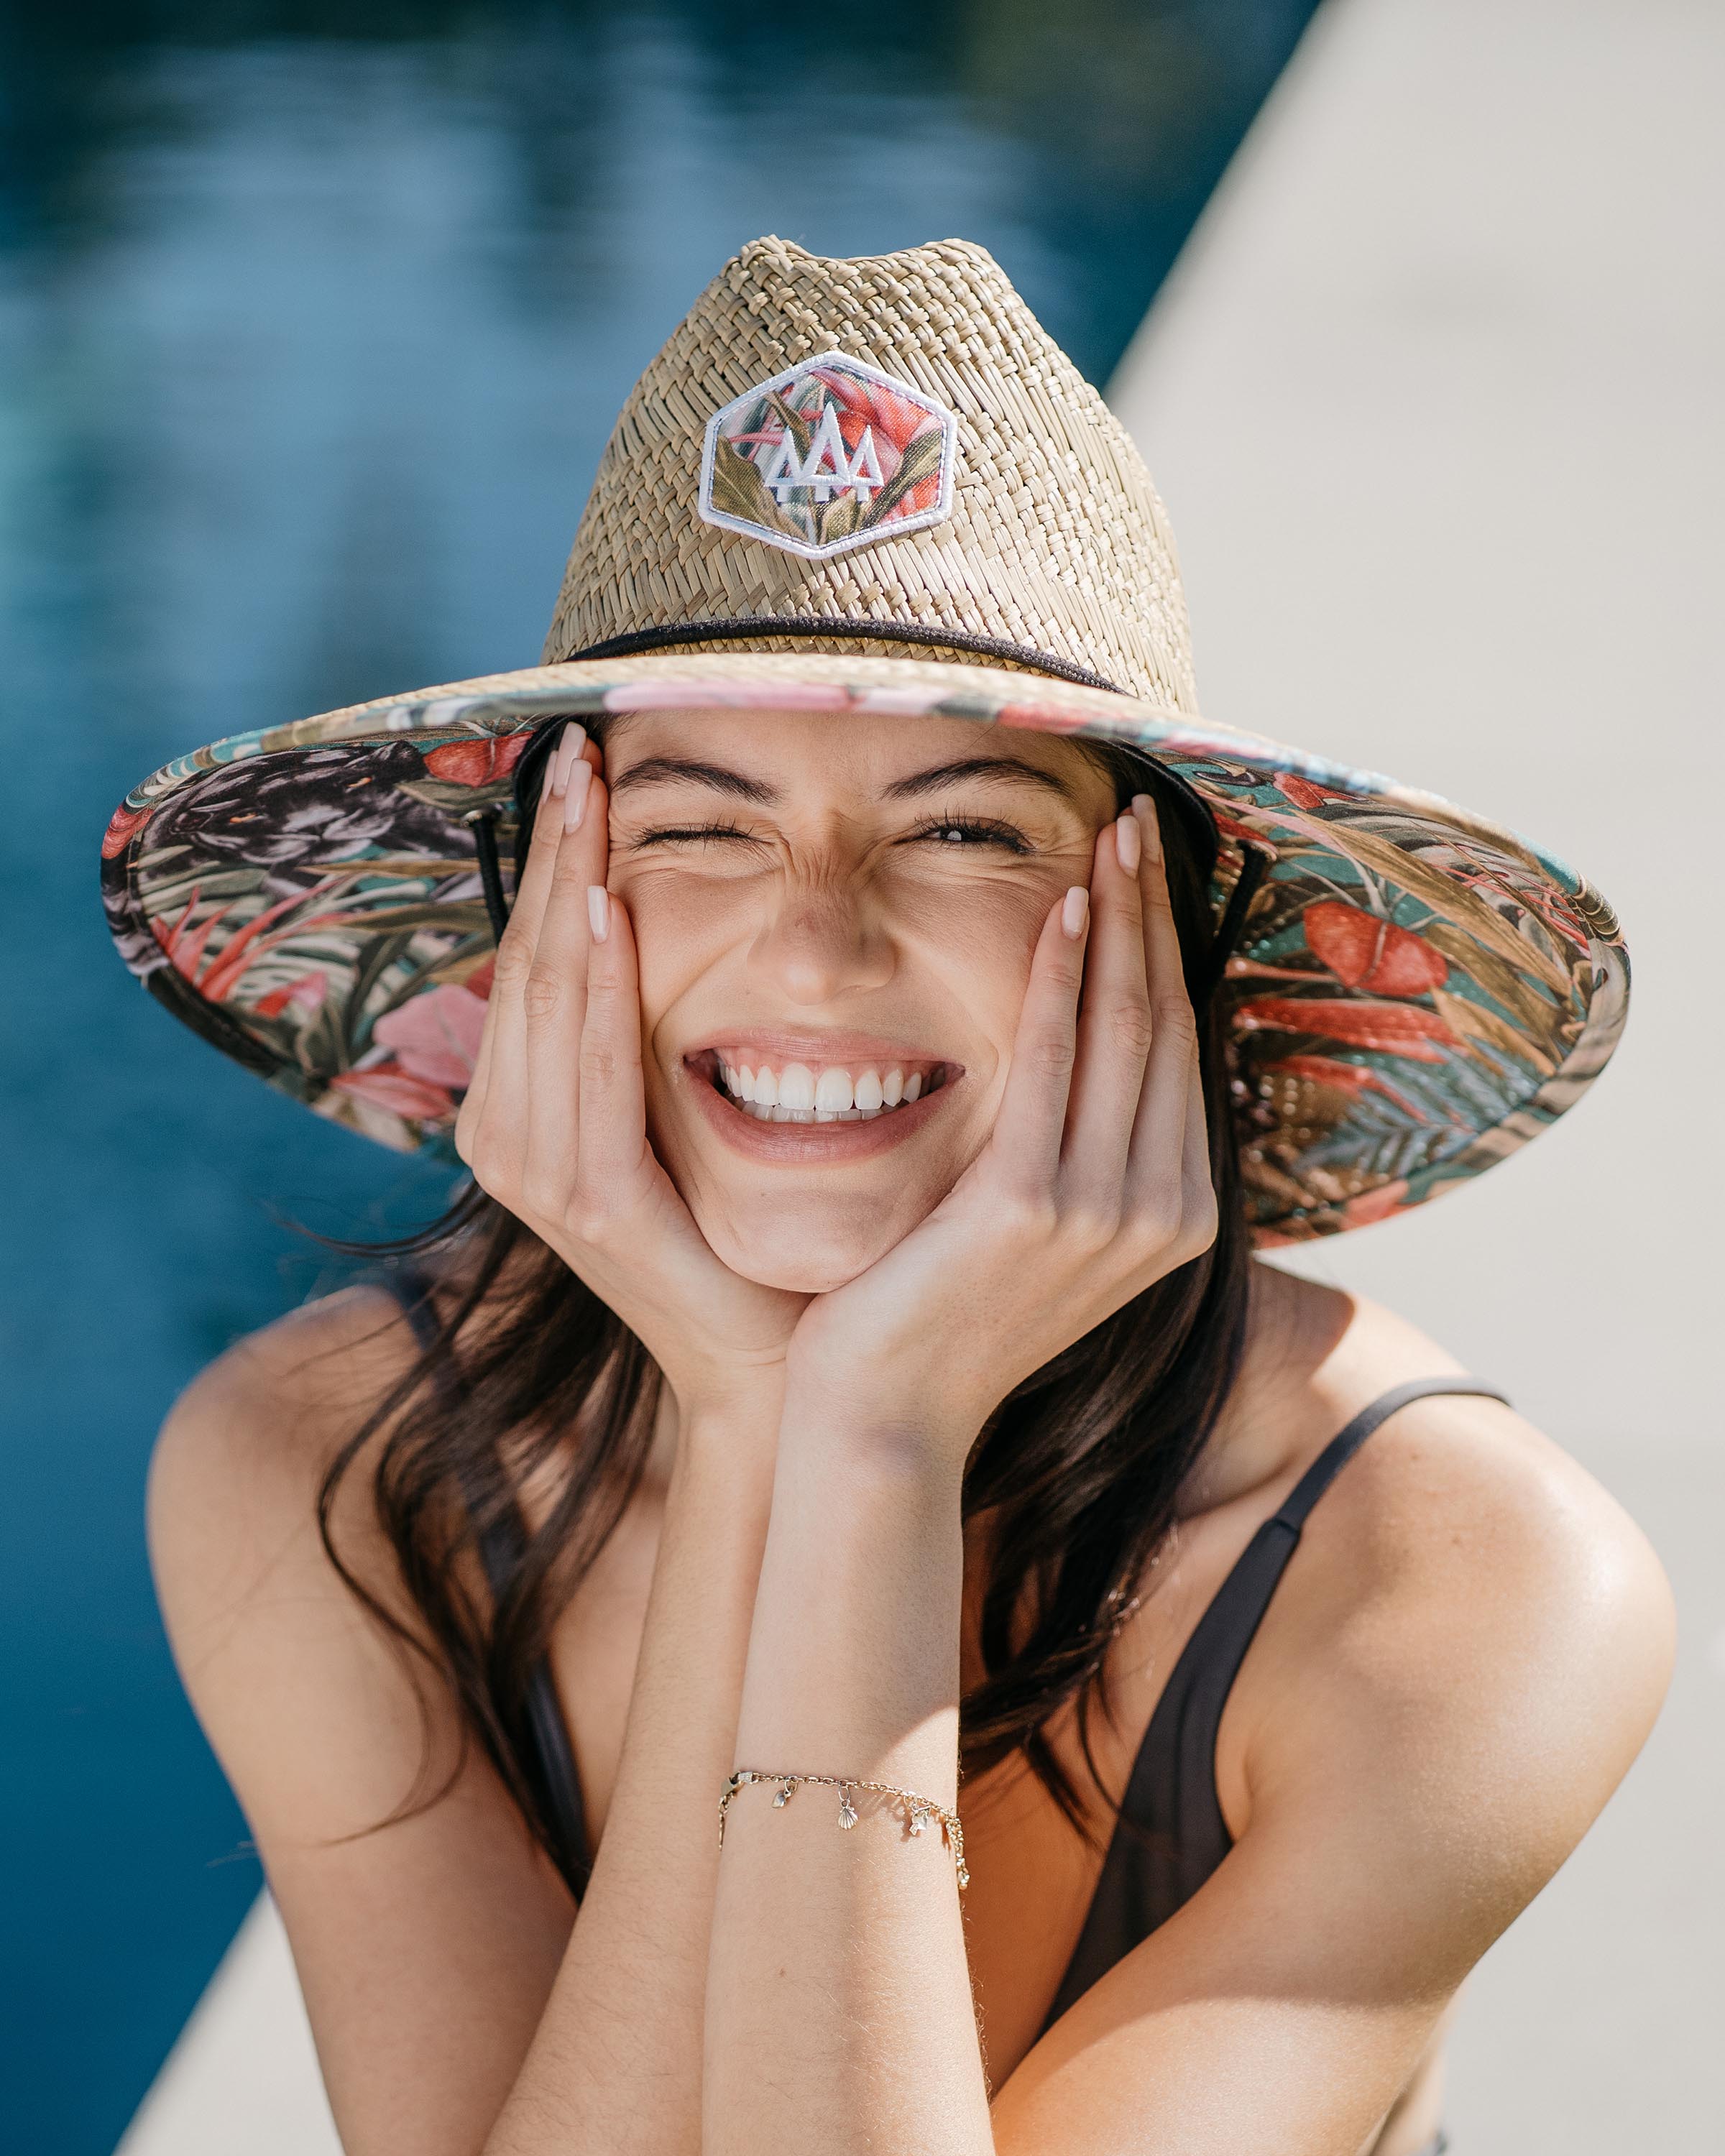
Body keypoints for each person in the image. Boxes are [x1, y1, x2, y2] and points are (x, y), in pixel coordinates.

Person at [114, 239, 1671, 2156]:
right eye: (697, 824)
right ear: (543, 921)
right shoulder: (318, 1474)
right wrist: (756, 1406)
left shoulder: (1449, 1588)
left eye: (961, 830)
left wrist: (863, 1439)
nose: (820, 950)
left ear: (1163, 935)